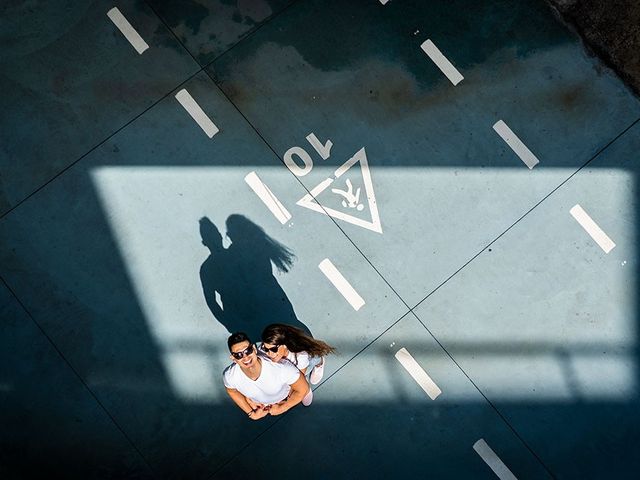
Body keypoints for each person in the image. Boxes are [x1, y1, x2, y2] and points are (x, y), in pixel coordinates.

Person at [223, 332, 309, 420]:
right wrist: (251, 413)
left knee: (304, 366)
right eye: (238, 355)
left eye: (248, 351)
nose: (246, 358)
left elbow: (303, 389)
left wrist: (283, 408)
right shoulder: (230, 376)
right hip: (262, 404)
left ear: (254, 349)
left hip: (285, 396)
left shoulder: (282, 368)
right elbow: (231, 390)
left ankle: (315, 361)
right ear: (233, 358)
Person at [260, 324, 336, 406]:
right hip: (292, 369)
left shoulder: (301, 356)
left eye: (274, 349)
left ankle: (320, 363)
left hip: (305, 365)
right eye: (266, 349)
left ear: (285, 345)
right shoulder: (263, 351)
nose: (270, 354)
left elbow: (300, 376)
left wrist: (294, 393)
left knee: (314, 358)